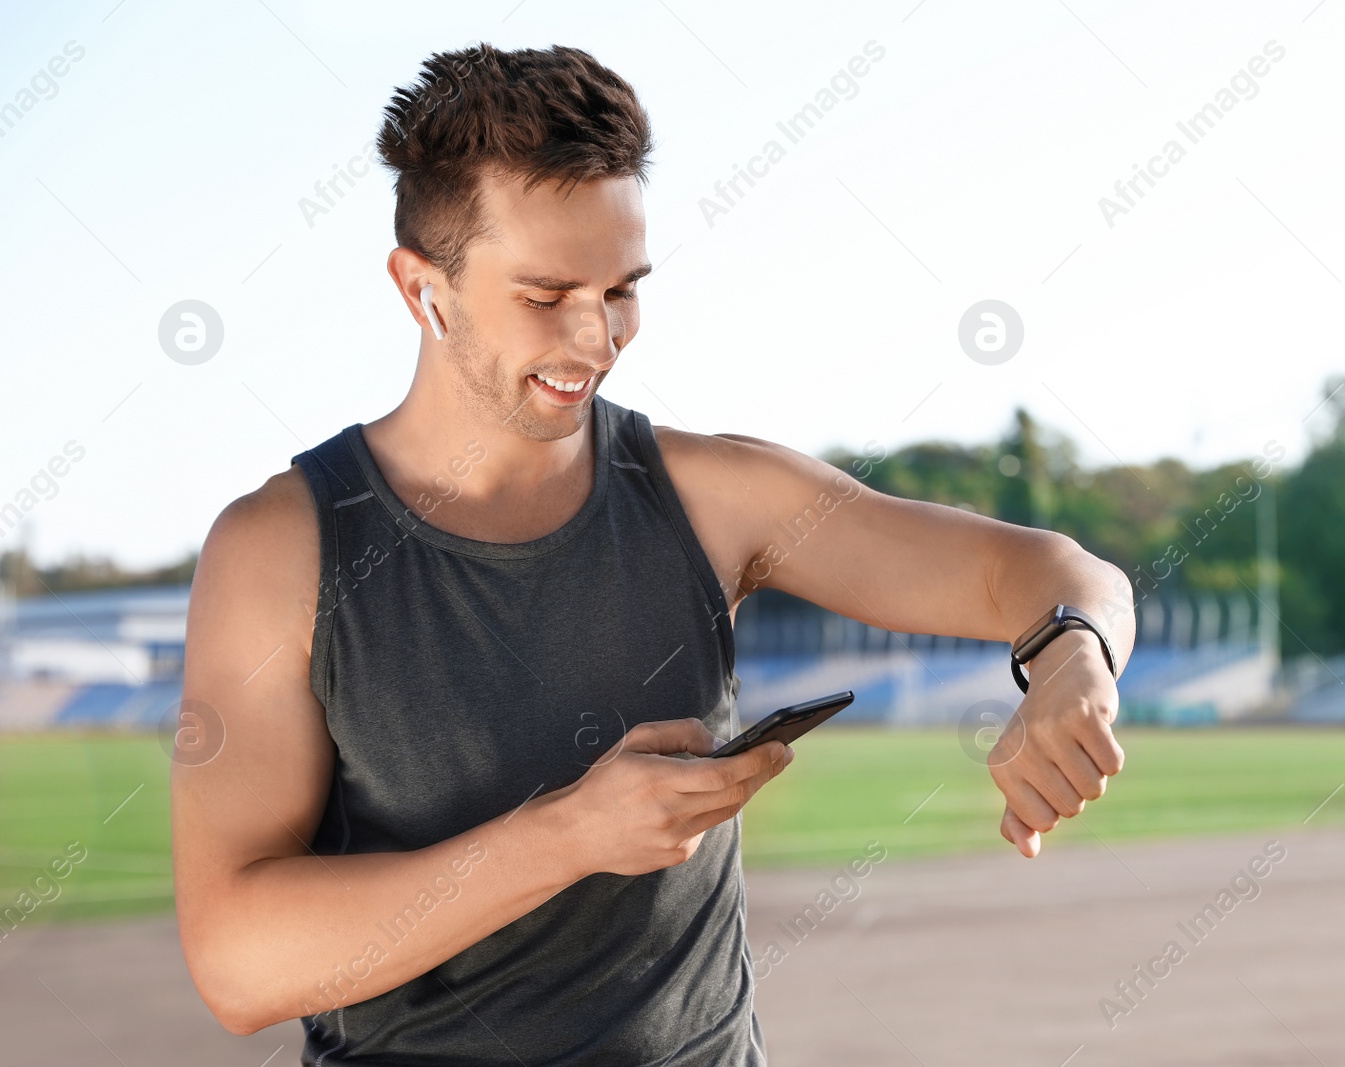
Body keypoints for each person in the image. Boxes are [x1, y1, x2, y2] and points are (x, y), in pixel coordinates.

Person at [171, 42, 1134, 1066]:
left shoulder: (714, 498)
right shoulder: (281, 550)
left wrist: (1073, 656)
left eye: (621, 288)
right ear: (423, 289)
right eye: (545, 297)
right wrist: (567, 837)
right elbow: (236, 963)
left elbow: (1053, 573)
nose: (596, 339)